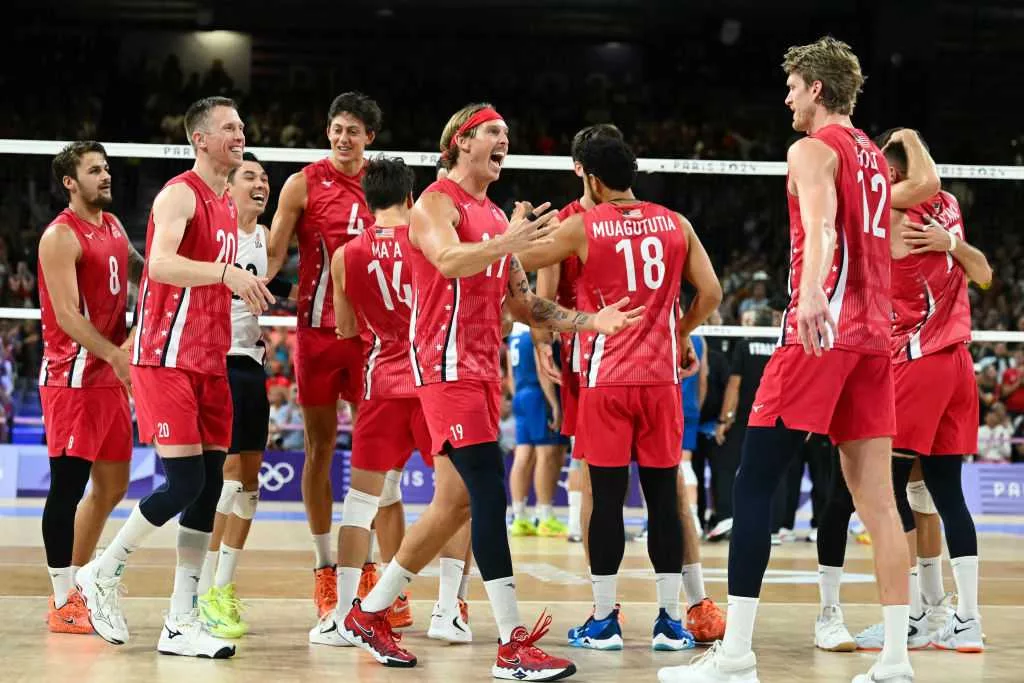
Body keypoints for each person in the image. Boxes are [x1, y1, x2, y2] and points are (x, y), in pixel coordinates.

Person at [340, 102, 640, 678]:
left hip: (481, 371)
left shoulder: (494, 213)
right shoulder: (435, 202)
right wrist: (509, 240)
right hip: (445, 369)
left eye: (507, 134)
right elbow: (448, 260)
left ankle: (370, 613)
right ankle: (512, 645)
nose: (506, 141)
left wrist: (587, 322)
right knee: (487, 494)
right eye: (495, 133)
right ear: (462, 141)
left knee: (453, 504)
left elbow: (523, 302)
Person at [659, 37, 913, 683]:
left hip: (822, 334)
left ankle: (737, 654)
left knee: (751, 482)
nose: (788, 98)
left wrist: (809, 299)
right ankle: (896, 660)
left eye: (794, 87)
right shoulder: (878, 162)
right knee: (878, 501)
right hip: (874, 340)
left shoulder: (810, 148)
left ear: (817, 90)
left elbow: (824, 228)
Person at [76, 96, 274, 658]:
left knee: (208, 490)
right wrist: (226, 272)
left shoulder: (227, 204)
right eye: (230, 128)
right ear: (200, 140)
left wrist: (242, 283)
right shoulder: (180, 193)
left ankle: (180, 620)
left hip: (213, 361)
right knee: (185, 483)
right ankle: (102, 572)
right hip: (165, 358)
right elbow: (159, 263)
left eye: (242, 126)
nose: (240, 135)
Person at [518, 136, 723, 651]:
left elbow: (515, 266)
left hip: (605, 381)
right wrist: (678, 333)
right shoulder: (677, 223)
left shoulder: (583, 225)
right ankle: (671, 622)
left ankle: (605, 620)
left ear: (590, 178)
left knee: (604, 501)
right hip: (661, 384)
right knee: (664, 500)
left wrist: (511, 231)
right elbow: (712, 294)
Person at [817, 128, 991, 654]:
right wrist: (953, 244)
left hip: (914, 361)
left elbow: (921, 181)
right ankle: (965, 619)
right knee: (938, 492)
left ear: (893, 176)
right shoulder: (948, 208)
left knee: (886, 493)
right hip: (959, 363)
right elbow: (984, 275)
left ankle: (914, 614)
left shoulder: (890, 211)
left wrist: (909, 143)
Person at [310, 156, 473, 647]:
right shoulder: (431, 238)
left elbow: (346, 329)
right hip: (433, 384)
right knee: (453, 501)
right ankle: (448, 611)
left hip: (380, 384)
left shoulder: (346, 255)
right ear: (411, 198)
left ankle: (341, 617)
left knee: (359, 505)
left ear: (365, 200)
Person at [267, 92, 379, 617]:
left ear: (370, 138)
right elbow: (270, 258)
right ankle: (324, 567)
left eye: (353, 130)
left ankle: (370, 567)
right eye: (336, 128)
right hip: (316, 336)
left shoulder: (384, 185)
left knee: (375, 452)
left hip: (370, 339)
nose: (342, 138)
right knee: (319, 450)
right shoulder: (301, 184)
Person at [37, 141, 143, 634]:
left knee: (114, 485)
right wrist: (117, 353)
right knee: (68, 487)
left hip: (107, 377)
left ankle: (82, 580)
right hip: (73, 378)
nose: (106, 176)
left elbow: (146, 268)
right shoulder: (60, 236)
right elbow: (66, 315)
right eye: (94, 170)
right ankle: (63, 599)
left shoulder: (116, 226)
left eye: (106, 168)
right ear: (69, 182)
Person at [196, 152, 293, 637]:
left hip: (251, 364)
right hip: (215, 361)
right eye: (250, 176)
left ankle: (223, 587)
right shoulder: (212, 229)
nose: (261, 184)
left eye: (265, 178)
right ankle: (202, 588)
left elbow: (281, 277)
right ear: (228, 187)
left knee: (250, 484)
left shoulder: (267, 236)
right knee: (228, 477)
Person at [535, 123, 625, 550]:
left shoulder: (643, 216)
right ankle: (601, 590)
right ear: (581, 170)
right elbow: (543, 295)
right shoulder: (565, 224)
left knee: (665, 476)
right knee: (591, 465)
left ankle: (686, 594)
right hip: (585, 356)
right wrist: (540, 344)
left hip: (641, 356)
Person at [507, 321, 570, 537]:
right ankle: (545, 516)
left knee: (523, 454)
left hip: (521, 394)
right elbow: (544, 367)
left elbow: (509, 375)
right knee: (548, 454)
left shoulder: (514, 332)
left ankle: (519, 516)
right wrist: (554, 403)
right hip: (539, 394)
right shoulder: (538, 326)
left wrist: (518, 399)